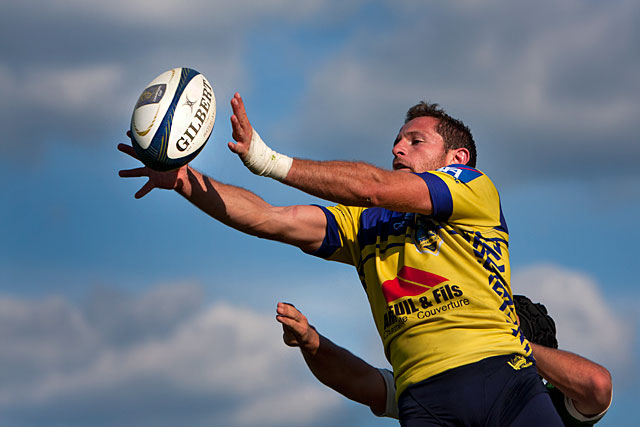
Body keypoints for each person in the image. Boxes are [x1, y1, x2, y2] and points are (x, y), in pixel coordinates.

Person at [119, 93, 562, 425]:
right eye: (396, 142)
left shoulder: (473, 189)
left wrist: (267, 160)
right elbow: (267, 218)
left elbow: (373, 186)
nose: (398, 150)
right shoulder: (364, 224)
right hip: (424, 399)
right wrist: (184, 179)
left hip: (504, 378)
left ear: (456, 158)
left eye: (415, 140)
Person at [275, 297, 612, 426]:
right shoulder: (447, 383)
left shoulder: (555, 405)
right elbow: (362, 382)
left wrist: (508, 342)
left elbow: (597, 386)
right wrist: (312, 342)